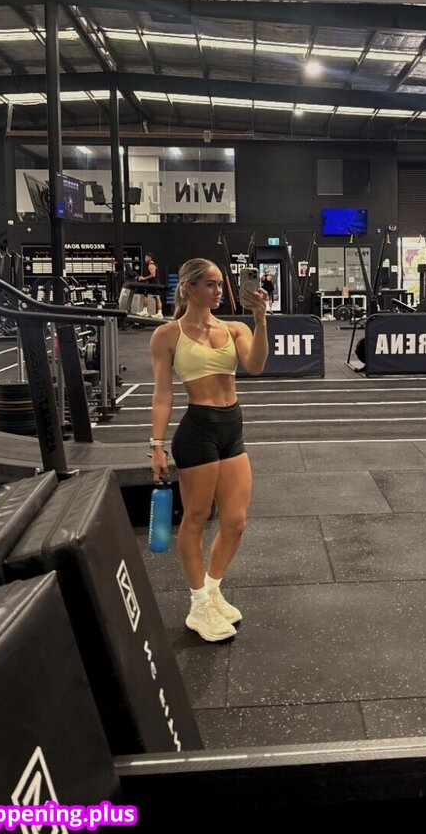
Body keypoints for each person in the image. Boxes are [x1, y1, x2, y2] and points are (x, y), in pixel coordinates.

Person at [149, 258, 269, 641]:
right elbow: (163, 394)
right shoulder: (167, 335)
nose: (219, 291)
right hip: (197, 430)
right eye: (211, 284)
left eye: (220, 284)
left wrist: (261, 320)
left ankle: (212, 589)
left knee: (235, 522)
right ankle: (198, 604)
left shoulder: (234, 329)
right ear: (189, 288)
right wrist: (156, 445)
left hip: (232, 427)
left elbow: (255, 365)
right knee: (196, 519)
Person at [137, 253, 163, 318]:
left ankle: (158, 313)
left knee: (156, 297)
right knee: (146, 294)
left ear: (150, 258)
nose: (145, 259)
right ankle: (146, 311)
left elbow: (153, 275)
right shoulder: (153, 265)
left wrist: (144, 278)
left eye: (146, 258)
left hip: (154, 284)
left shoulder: (151, 265)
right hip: (153, 284)